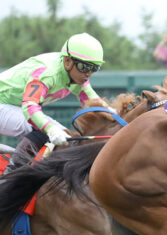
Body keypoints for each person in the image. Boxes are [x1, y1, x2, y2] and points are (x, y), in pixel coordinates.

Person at [0, 33, 106, 162]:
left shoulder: (78, 75)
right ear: (67, 61)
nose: (88, 73)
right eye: (84, 67)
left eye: (94, 68)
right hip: (6, 105)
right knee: (42, 130)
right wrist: (50, 129)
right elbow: (30, 106)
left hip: (13, 107)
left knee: (67, 138)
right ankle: (9, 179)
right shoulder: (48, 73)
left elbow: (95, 104)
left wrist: (114, 114)